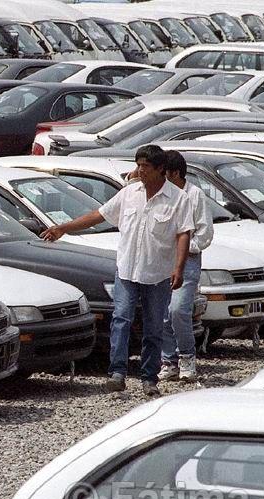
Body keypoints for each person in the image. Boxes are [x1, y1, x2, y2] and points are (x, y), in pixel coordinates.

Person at [41, 145, 193, 397]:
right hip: (126, 271)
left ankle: (149, 378)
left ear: (160, 169)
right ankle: (117, 373)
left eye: (145, 166)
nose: (139, 171)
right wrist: (64, 228)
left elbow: (183, 234)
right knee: (121, 319)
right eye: (138, 165)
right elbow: (98, 215)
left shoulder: (178, 199)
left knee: (154, 327)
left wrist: (179, 268)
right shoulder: (129, 193)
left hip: (157, 275)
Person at [158, 151, 213, 383]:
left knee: (179, 309)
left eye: (164, 173)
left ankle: (187, 356)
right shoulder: (160, 194)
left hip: (188, 260)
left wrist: (183, 245)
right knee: (162, 313)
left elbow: (205, 233)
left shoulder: (195, 195)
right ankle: (168, 361)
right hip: (161, 259)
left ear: (175, 173)